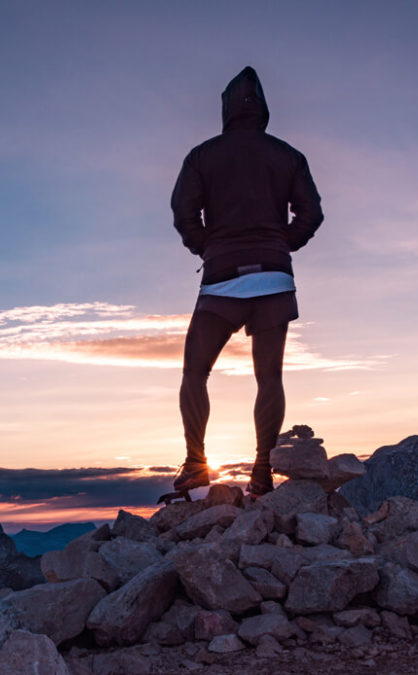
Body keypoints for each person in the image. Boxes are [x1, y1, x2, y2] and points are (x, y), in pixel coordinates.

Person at [170, 66, 324, 497]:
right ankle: (261, 471)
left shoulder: (201, 156)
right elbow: (311, 214)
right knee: (269, 377)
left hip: (221, 279)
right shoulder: (289, 155)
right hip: (274, 277)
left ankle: (196, 465)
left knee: (195, 372)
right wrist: (280, 245)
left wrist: (209, 248)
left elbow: (184, 214)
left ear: (225, 108)